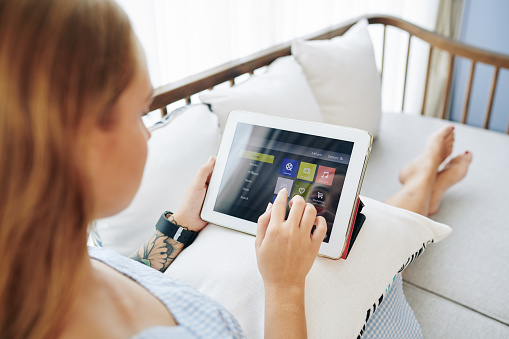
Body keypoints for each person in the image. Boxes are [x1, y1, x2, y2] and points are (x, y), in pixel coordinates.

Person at [0, 0, 472, 338]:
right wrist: (285, 289)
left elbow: (135, 272)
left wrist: (180, 224)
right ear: (81, 137)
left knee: (362, 227)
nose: (148, 134)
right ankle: (424, 182)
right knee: (370, 242)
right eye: (139, 112)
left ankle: (422, 182)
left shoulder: (63, 253)